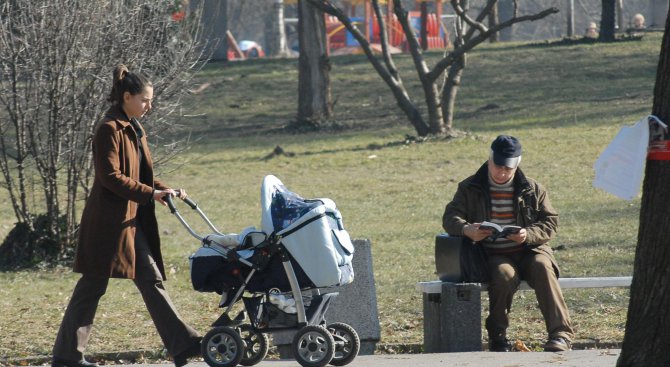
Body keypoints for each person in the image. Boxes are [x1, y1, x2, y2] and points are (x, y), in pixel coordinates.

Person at [51, 65, 201, 367]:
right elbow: (110, 176)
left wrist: (164, 189)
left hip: (131, 222)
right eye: (145, 100)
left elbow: (142, 174)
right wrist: (149, 194)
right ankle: (67, 357)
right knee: (92, 287)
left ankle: (183, 345)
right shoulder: (109, 128)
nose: (150, 105)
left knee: (151, 279)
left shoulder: (134, 127)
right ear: (127, 97)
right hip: (108, 225)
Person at [442, 135, 574, 352]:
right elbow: (450, 218)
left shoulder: (533, 188)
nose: (501, 173)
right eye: (497, 166)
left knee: (543, 267)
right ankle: (498, 336)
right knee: (503, 276)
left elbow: (550, 222)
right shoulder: (469, 187)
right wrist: (468, 230)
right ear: (490, 159)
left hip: (531, 250)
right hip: (494, 255)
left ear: (517, 163)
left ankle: (560, 334)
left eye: (507, 169)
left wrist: (528, 234)